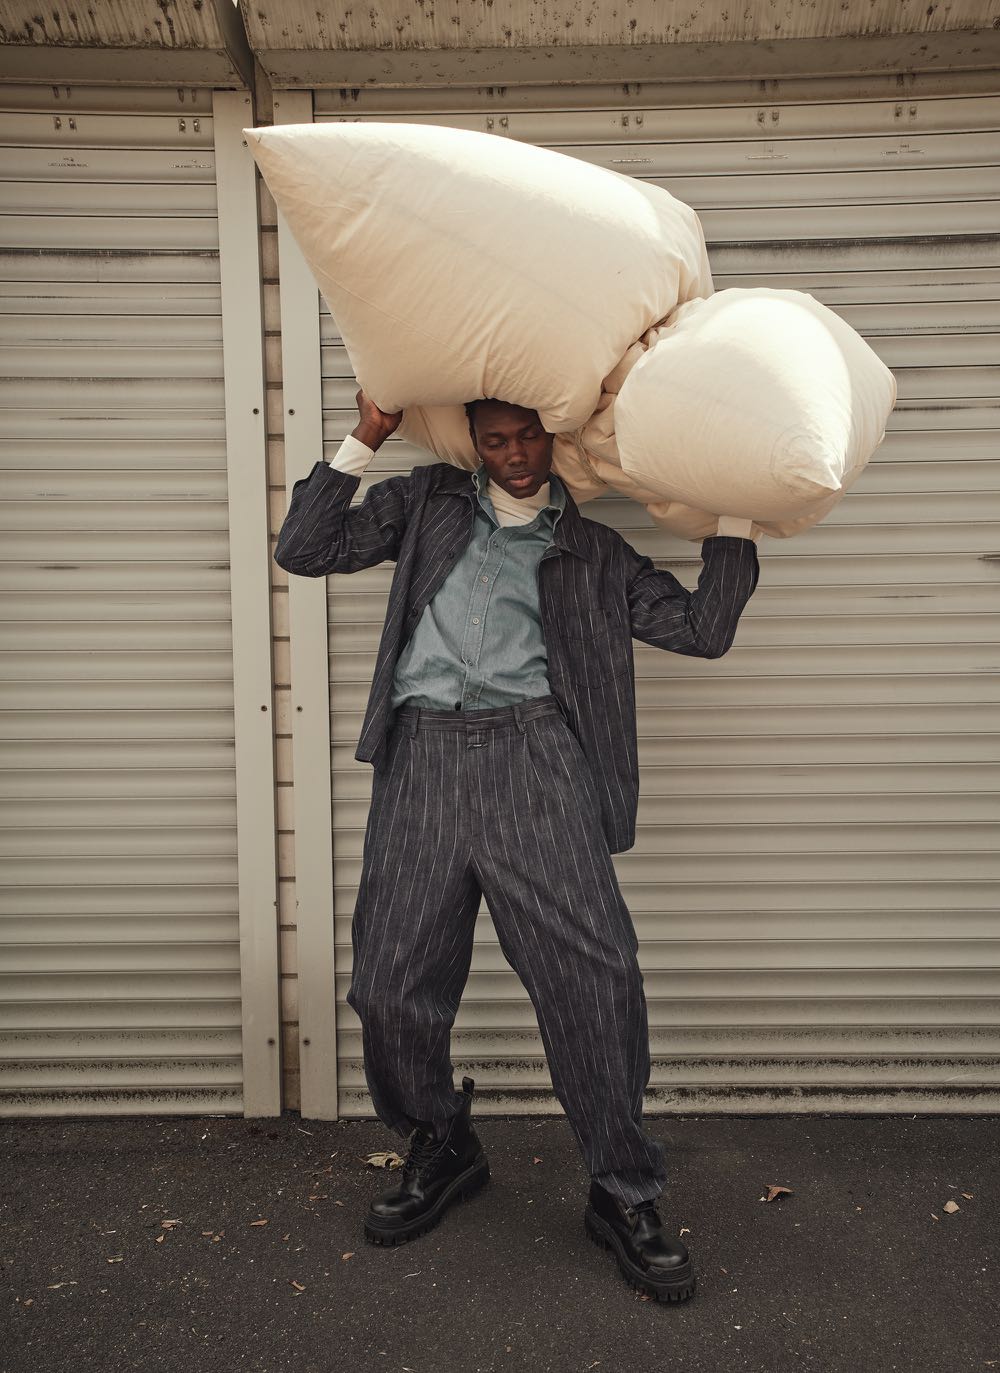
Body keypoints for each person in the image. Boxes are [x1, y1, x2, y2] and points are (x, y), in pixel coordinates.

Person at [274, 389, 760, 1304]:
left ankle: (624, 1190)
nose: (515, 455)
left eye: (528, 435)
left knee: (596, 980)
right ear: (474, 442)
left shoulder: (594, 551)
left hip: (536, 759)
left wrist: (737, 509)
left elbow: (704, 629)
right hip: (422, 758)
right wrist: (368, 431)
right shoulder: (425, 503)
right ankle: (442, 1139)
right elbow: (303, 548)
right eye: (496, 440)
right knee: (389, 983)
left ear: (552, 435)